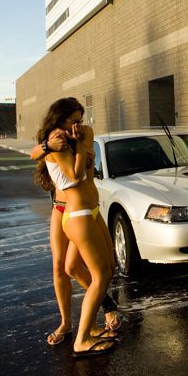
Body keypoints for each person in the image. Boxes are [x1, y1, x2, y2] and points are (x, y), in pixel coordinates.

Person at [34, 97, 117, 358]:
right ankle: (79, 337)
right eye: (74, 120)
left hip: (92, 209)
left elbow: (86, 143)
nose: (79, 125)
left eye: (82, 119)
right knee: (96, 273)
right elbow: (74, 175)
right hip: (74, 212)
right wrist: (79, 146)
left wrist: (81, 138)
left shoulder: (83, 132)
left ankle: (90, 327)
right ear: (60, 120)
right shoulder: (57, 140)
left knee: (109, 268)